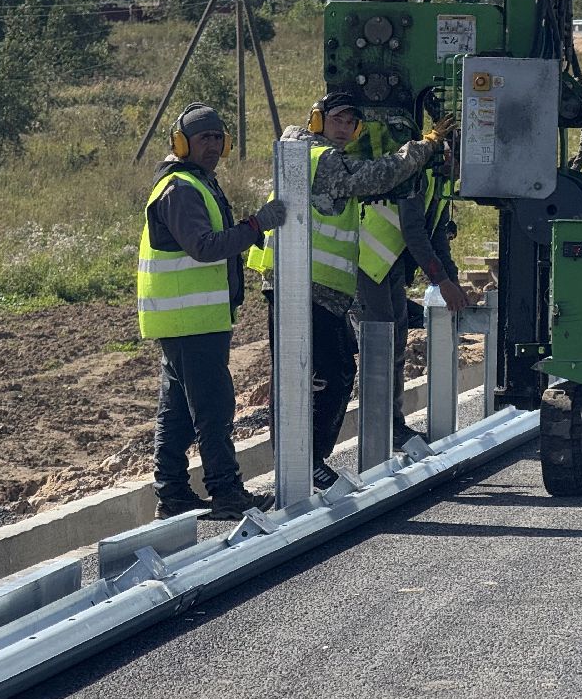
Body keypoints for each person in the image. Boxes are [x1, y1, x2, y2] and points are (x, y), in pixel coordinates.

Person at [247, 90, 450, 489]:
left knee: (319, 372)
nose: (344, 128)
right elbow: (376, 176)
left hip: (309, 284)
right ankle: (306, 462)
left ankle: (305, 462)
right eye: (337, 119)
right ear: (317, 119)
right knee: (324, 374)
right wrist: (422, 147)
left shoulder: (305, 154)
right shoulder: (321, 158)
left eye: (351, 122)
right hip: (305, 284)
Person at [139, 102, 288, 520]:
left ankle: (173, 494)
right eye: (204, 137)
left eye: (218, 138)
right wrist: (255, 227)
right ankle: (226, 493)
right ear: (181, 143)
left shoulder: (196, 182)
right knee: (214, 409)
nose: (213, 145)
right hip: (192, 321)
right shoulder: (181, 189)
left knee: (179, 412)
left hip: (190, 319)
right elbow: (203, 247)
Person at [355, 130, 469, 452]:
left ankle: (393, 425)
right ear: (449, 155)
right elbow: (414, 231)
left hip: (388, 264)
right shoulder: (419, 174)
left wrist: (452, 280)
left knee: (396, 343)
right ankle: (381, 429)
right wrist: (441, 282)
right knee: (381, 345)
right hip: (368, 261)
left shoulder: (439, 182)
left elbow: (438, 237)